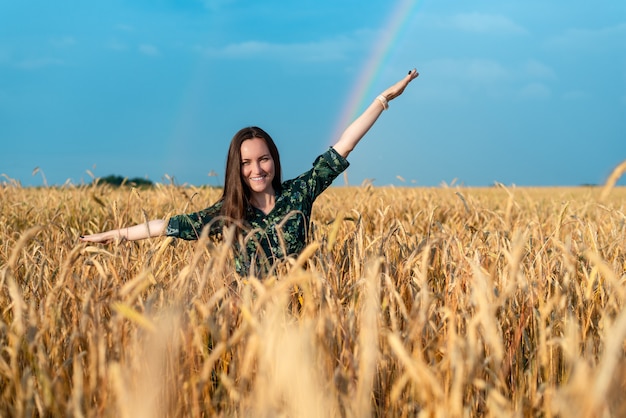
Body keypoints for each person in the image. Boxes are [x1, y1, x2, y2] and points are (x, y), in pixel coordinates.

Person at [80, 69, 419, 276]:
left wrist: (383, 98)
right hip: (251, 327)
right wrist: (112, 236)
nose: (257, 169)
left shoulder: (298, 194)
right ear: (237, 168)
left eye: (264, 159)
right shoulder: (228, 214)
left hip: (302, 315)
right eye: (246, 163)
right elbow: (167, 226)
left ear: (274, 159)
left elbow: (343, 145)